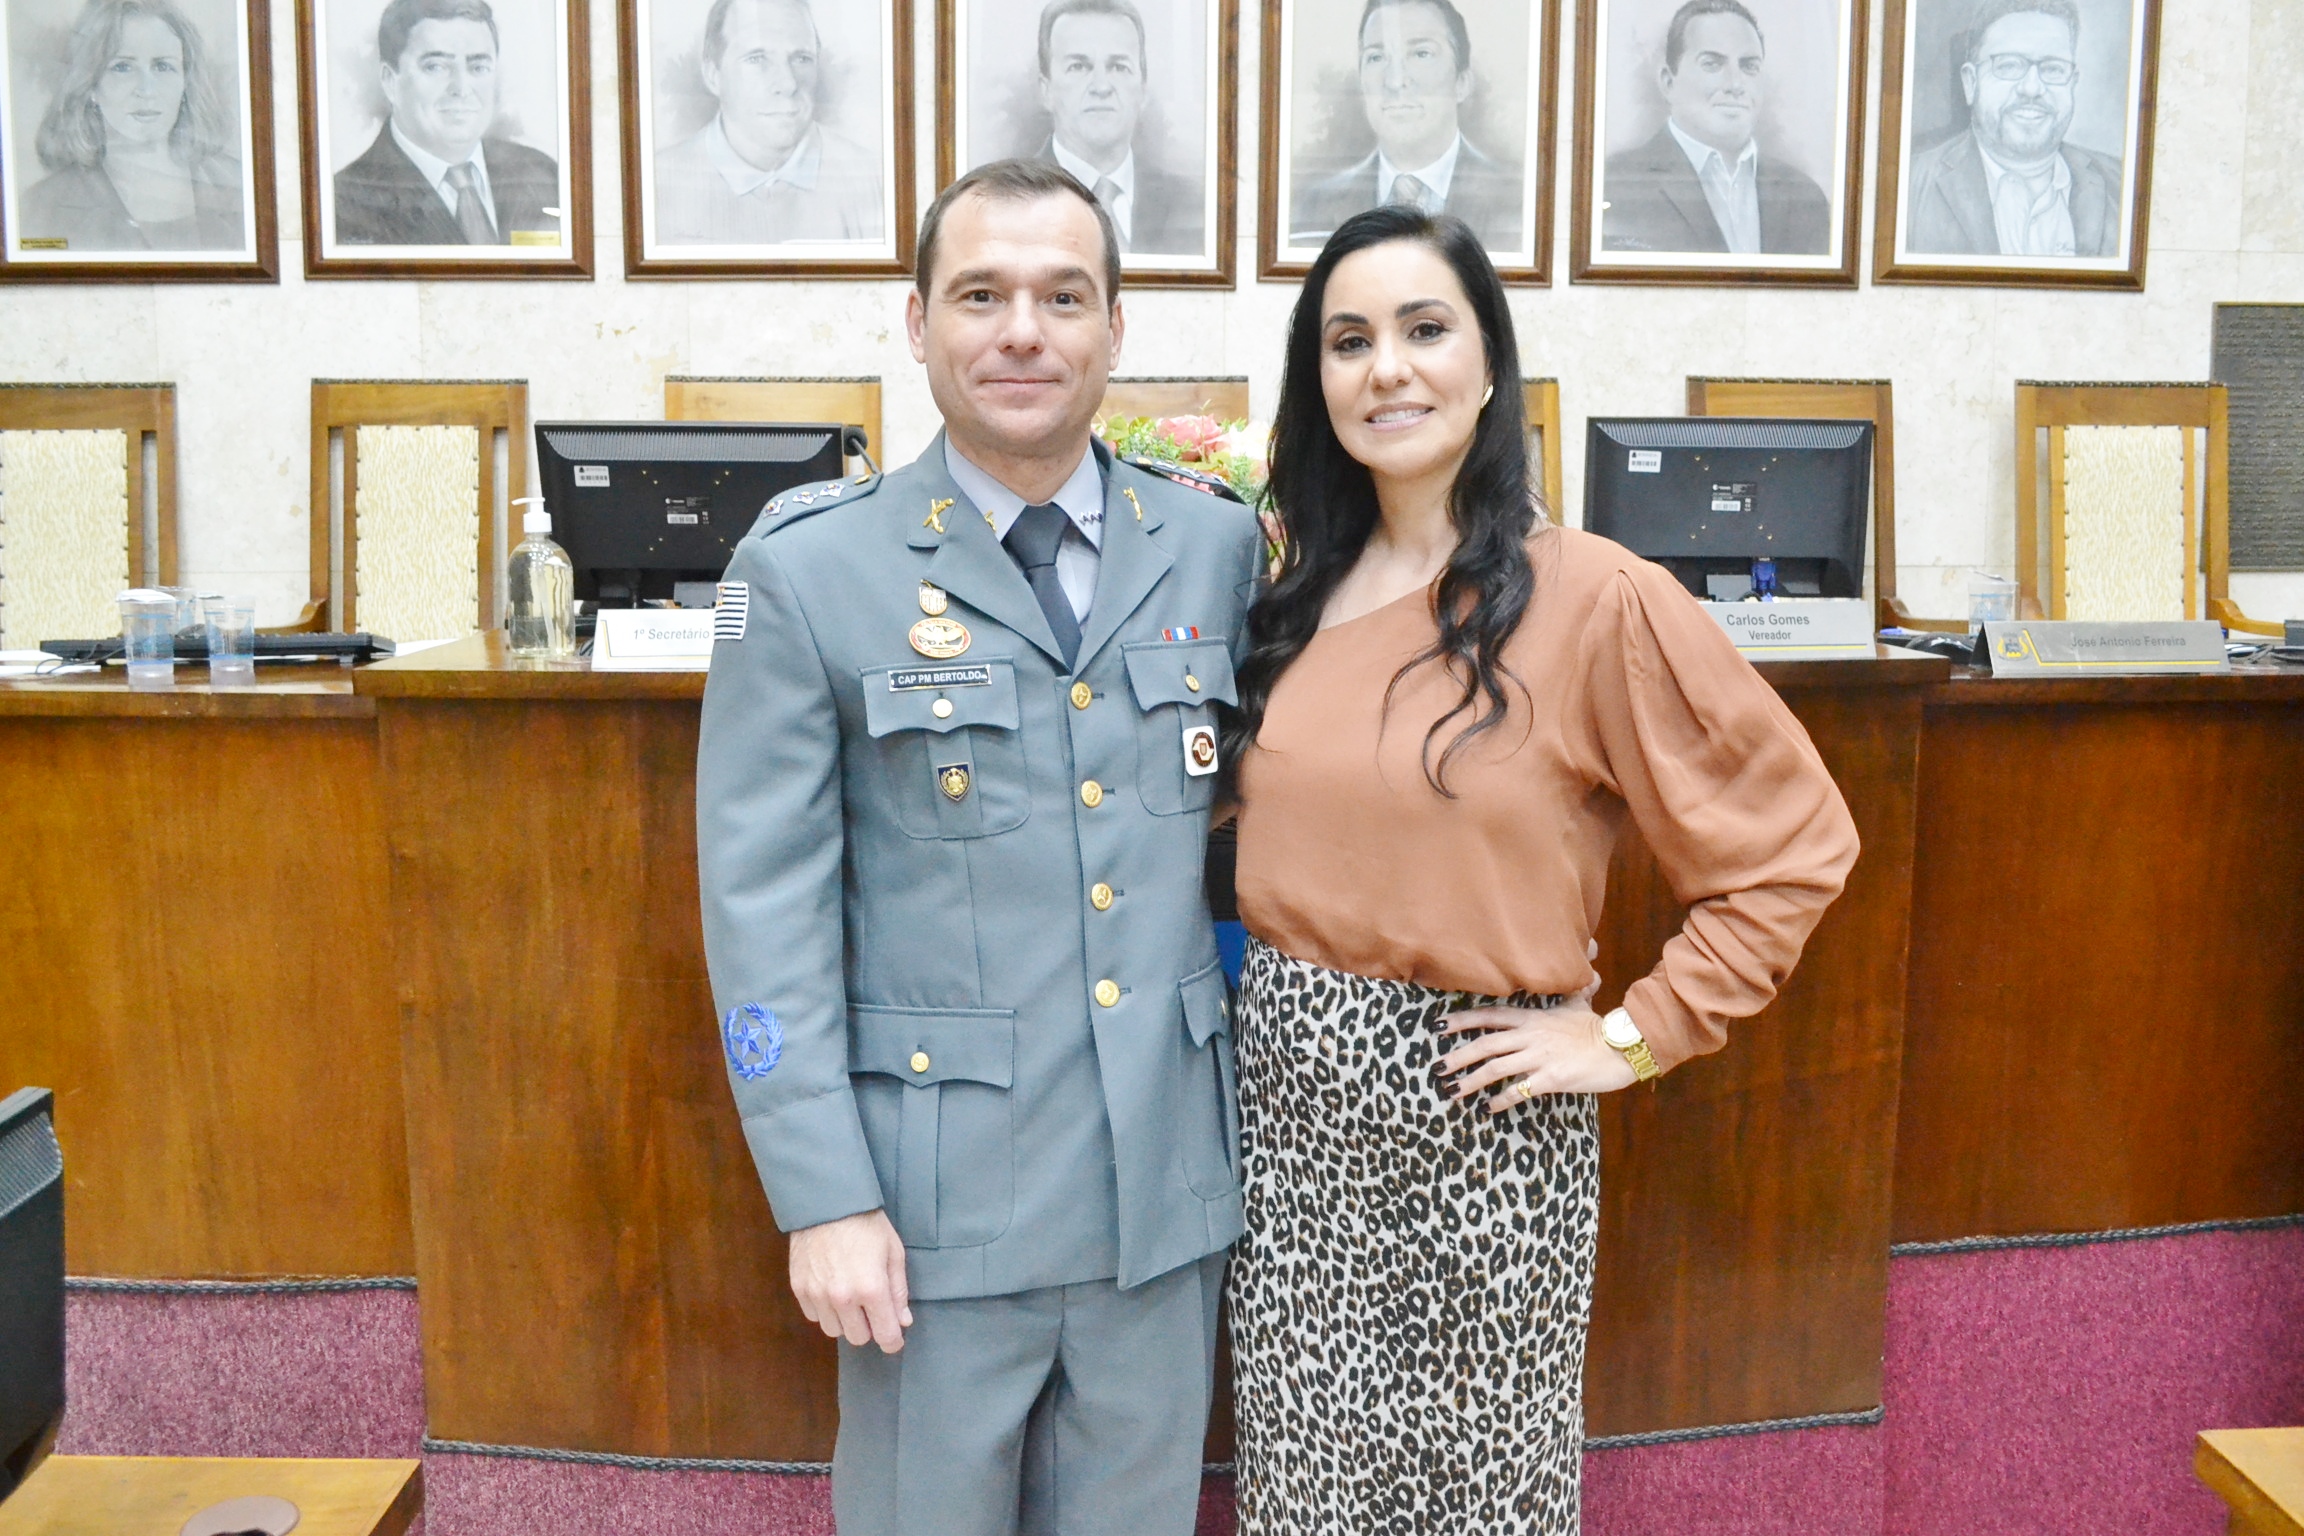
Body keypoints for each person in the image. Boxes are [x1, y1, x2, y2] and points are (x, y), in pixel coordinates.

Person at [1222, 204, 1858, 1533]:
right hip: (1292, 1141)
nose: (1387, 368)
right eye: (1349, 340)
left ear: (1489, 365)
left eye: (1425, 329)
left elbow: (1793, 847)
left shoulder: (1596, 596)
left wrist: (1634, 1036)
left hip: (1484, 1136)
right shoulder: (1289, 596)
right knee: (1303, 1497)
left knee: (1481, 1502)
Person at [695, 158, 1262, 1536]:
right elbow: (762, 913)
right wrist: (822, 1195)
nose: (1023, 332)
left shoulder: (1214, 546)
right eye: (980, 295)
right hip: (933, 1216)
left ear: (1114, 330)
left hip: (1161, 1198)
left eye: (1063, 297)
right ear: (917, 323)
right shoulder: (808, 570)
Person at [1600, 0, 1831, 255]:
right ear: (1668, 82)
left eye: (1749, 66)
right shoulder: (1615, 184)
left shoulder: (1806, 197)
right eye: (1712, 64)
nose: (1735, 84)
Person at [1289, 0, 1523, 251]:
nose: (1395, 81)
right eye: (1376, 57)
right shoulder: (1315, 202)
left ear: (1462, 83)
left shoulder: (1515, 199)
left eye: (1421, 54)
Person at [652, 0, 883, 245]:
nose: (788, 83)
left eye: (802, 58)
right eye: (757, 58)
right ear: (713, 75)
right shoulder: (655, 185)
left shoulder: (875, 179)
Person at [1905, 0, 2122, 257]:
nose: (2032, 88)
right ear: (1970, 83)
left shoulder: (2123, 186)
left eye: (2053, 68)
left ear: (2072, 83)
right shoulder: (1907, 187)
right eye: (2008, 65)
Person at [333, 0, 560, 246]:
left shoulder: (543, 175)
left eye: (478, 67)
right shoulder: (343, 203)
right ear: (390, 82)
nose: (461, 89)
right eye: (436, 67)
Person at [22, 0, 243, 252]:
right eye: (123, 67)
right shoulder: (44, 206)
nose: (147, 90)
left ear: (185, 82)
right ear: (91, 86)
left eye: (163, 66)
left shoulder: (237, 185)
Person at [1026, 0, 1202, 257]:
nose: (1101, 87)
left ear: (1142, 90)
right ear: (1046, 91)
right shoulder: (1012, 200)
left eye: (1119, 67)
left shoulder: (1193, 205)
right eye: (1078, 66)